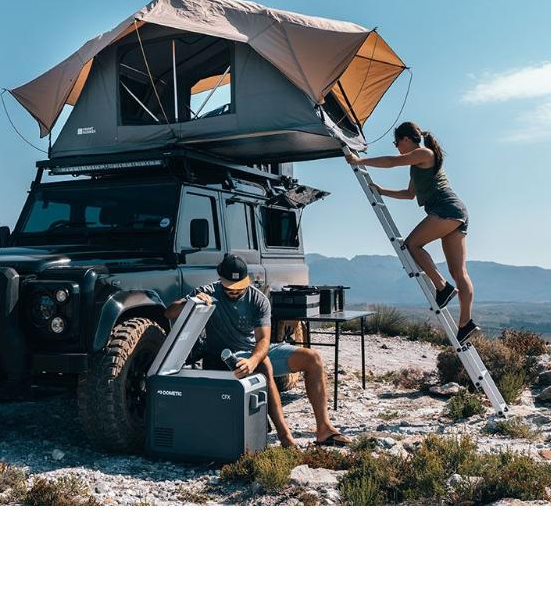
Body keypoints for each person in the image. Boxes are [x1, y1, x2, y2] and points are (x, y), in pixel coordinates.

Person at [164, 254, 350, 448]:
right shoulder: (208, 292)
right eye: (230, 287)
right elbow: (168, 312)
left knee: (313, 359)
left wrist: (252, 360)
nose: (235, 291)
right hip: (225, 357)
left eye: (239, 286)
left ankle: (324, 430)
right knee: (264, 364)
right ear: (221, 280)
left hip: (254, 352)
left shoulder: (257, 299)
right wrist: (191, 302)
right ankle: (285, 438)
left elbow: (263, 340)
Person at [346, 121, 477, 342]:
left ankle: (443, 288)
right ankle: (466, 323)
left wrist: (360, 160)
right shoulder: (417, 164)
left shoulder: (424, 153)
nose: (397, 146)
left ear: (407, 139)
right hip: (456, 212)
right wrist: (381, 191)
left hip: (447, 209)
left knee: (412, 245)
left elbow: (392, 161)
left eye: (397, 142)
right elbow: (409, 194)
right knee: (459, 272)